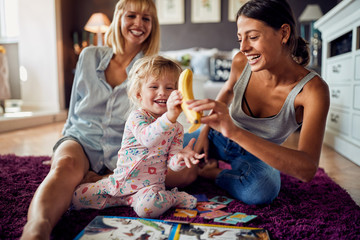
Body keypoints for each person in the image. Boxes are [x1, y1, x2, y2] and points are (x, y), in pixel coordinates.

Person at [21, 0, 163, 239]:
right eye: (132, 16)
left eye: (146, 18)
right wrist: (61, 147)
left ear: (153, 26)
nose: (138, 23)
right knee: (65, 165)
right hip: (81, 138)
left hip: (122, 148)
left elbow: (150, 121)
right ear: (119, 18)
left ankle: (102, 177)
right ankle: (36, 228)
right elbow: (74, 108)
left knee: (177, 172)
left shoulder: (150, 69)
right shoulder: (88, 56)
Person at [190, 0, 330, 205]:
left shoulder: (313, 90)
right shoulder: (240, 61)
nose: (244, 47)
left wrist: (234, 131)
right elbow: (227, 90)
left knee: (262, 188)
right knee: (167, 152)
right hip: (217, 138)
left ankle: (214, 174)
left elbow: (307, 169)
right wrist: (204, 132)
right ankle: (214, 167)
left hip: (259, 156)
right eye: (240, 38)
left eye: (253, 37)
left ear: (283, 33)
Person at [72, 55, 203, 217]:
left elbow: (172, 164)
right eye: (154, 87)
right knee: (78, 197)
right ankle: (120, 199)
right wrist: (169, 116)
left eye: (169, 88)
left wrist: (181, 158)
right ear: (139, 94)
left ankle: (174, 197)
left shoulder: (176, 128)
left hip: (148, 189)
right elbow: (147, 138)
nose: (162, 92)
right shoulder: (137, 117)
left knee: (148, 210)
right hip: (118, 183)